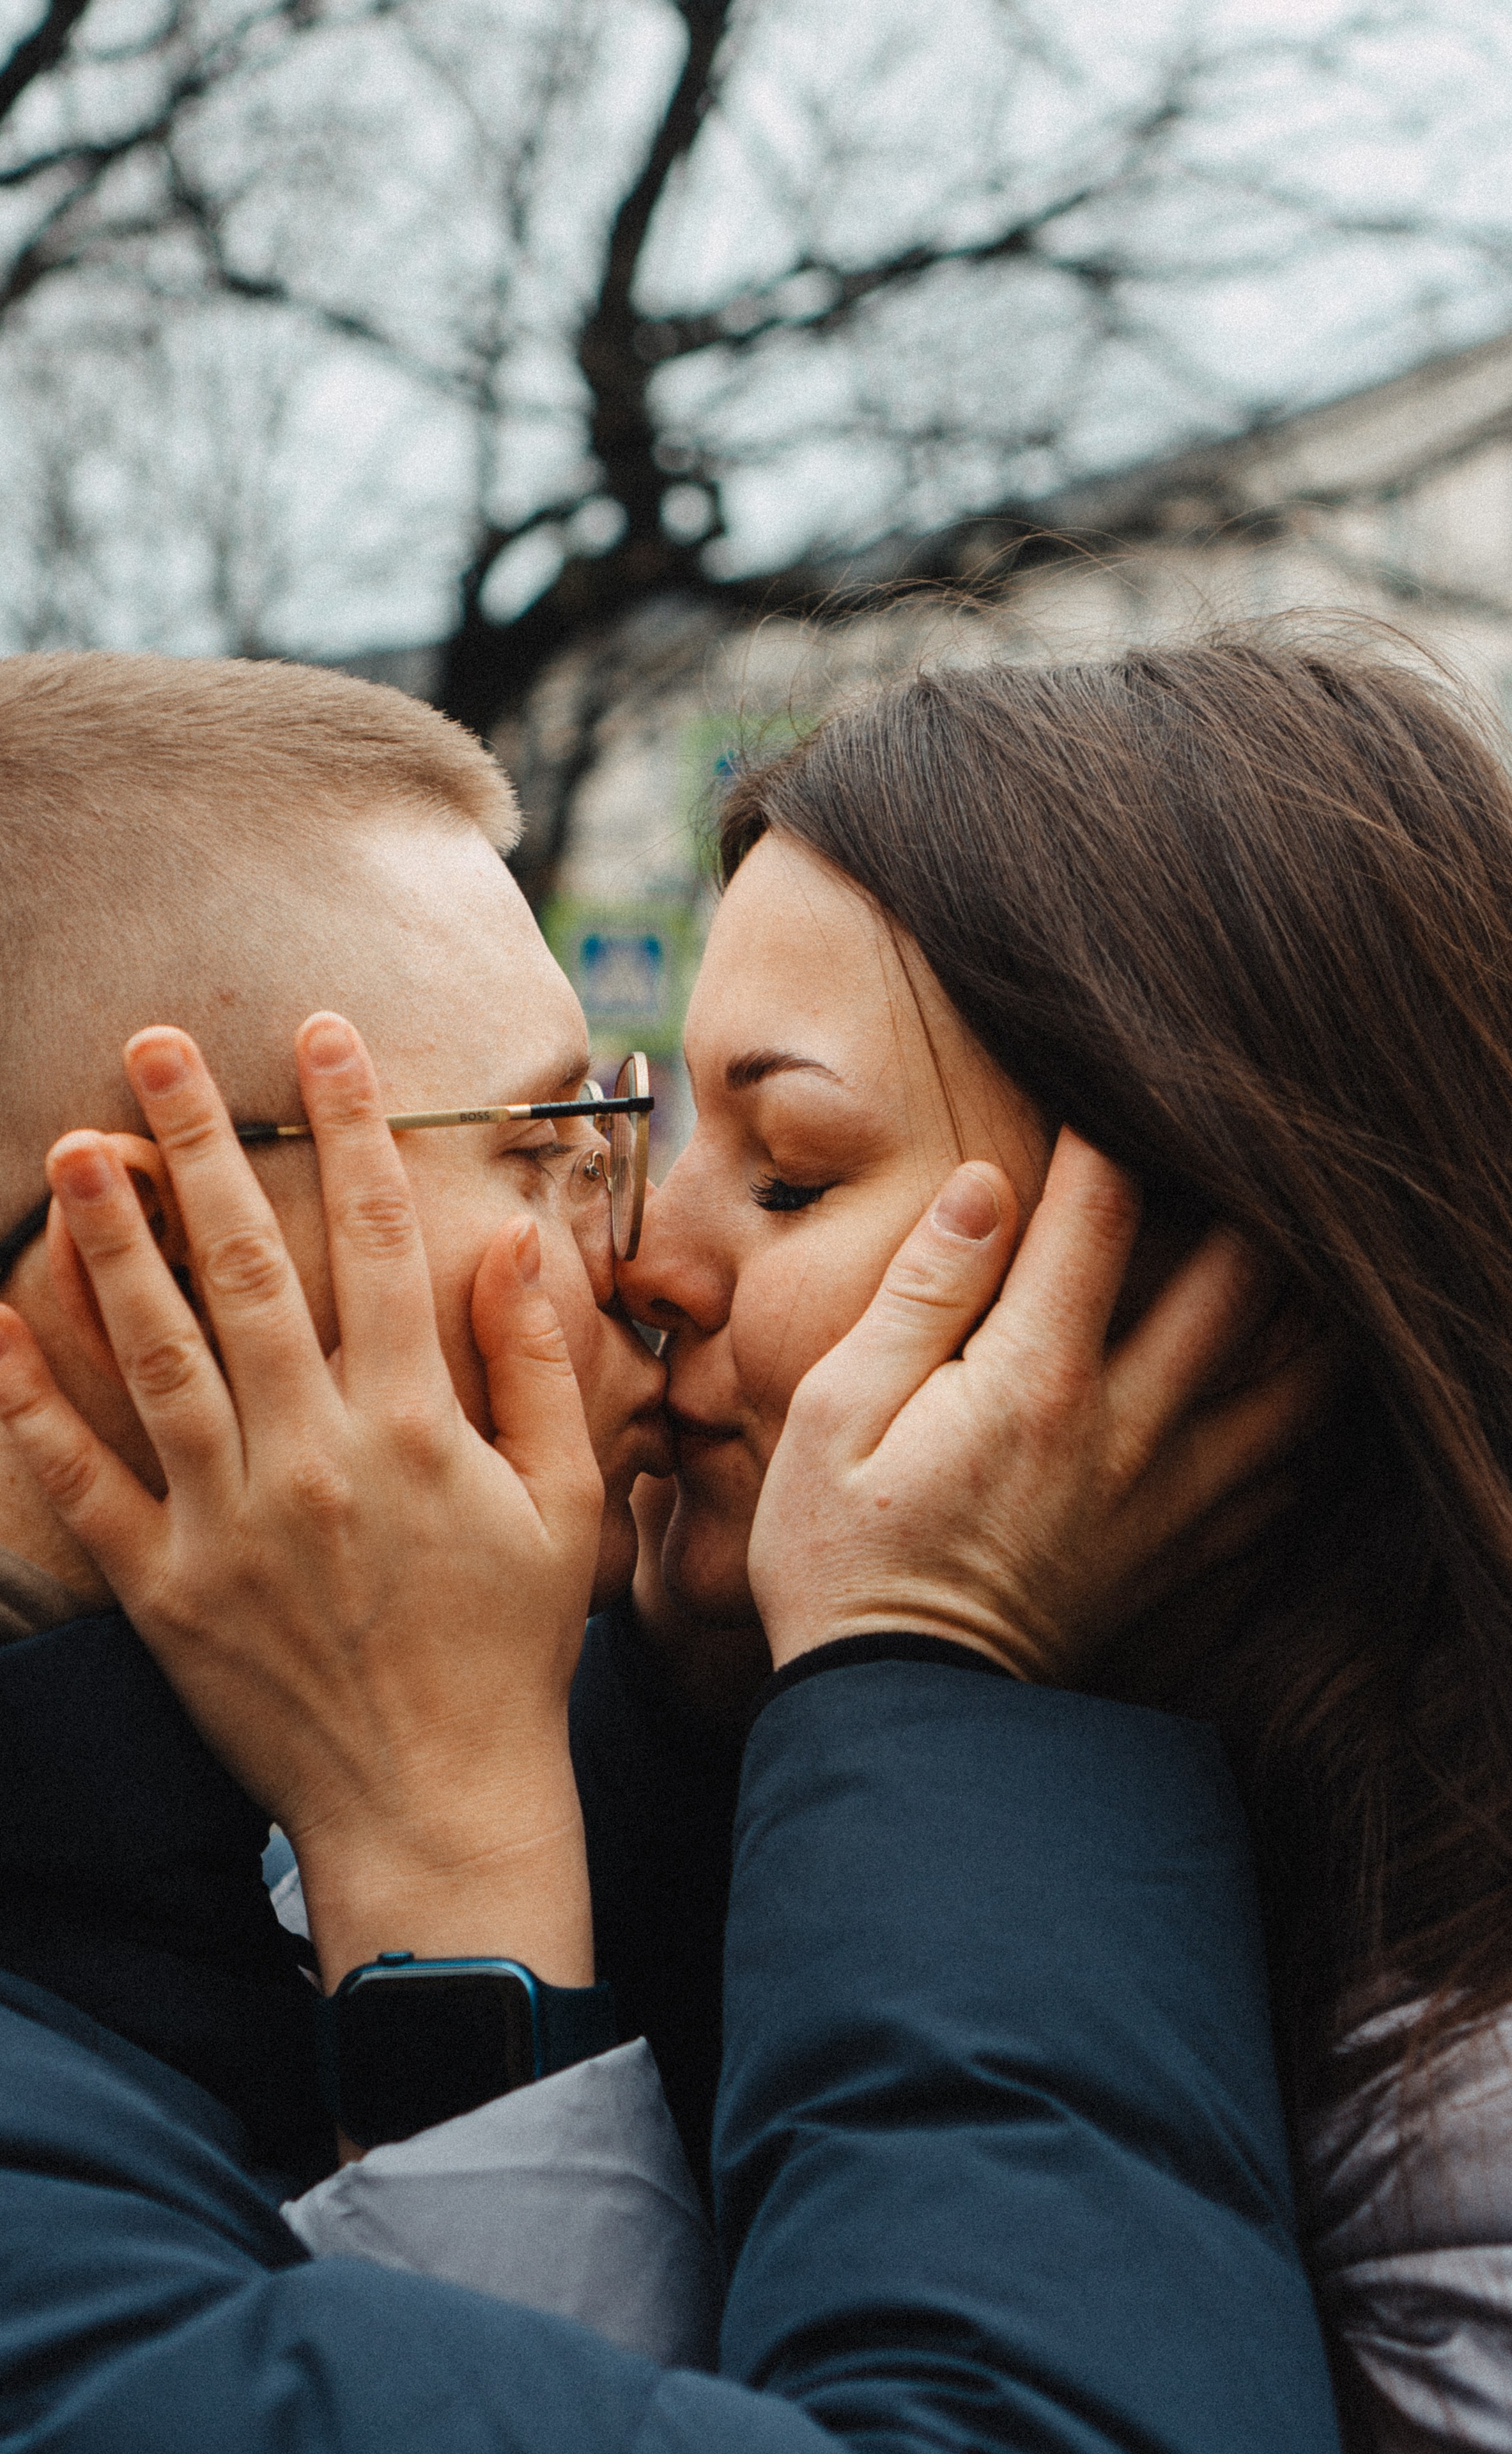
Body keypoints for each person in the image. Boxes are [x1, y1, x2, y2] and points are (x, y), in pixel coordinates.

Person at [0, 650, 1339, 2453]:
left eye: (761, 1168)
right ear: (177, 1270)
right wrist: (938, 1678)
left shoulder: (198, 1863)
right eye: (550, 1145)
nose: (635, 1253)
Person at [598, 631, 1512, 2451]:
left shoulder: (1462, 2100)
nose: (644, 1266)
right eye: (671, 1135)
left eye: (789, 1175)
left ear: (1213, 1285)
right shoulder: (671, 1720)